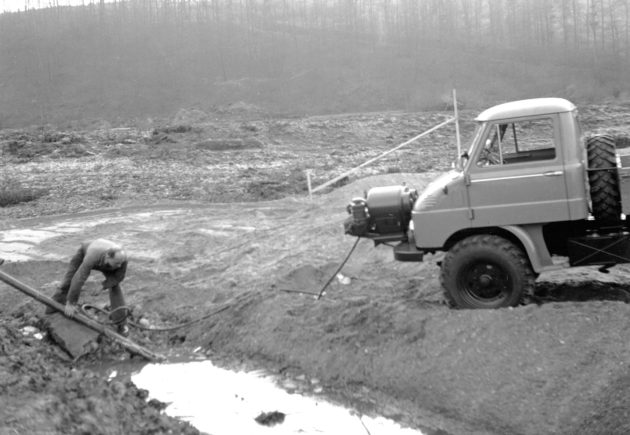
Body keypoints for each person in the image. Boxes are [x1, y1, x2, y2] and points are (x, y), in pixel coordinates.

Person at [47, 238, 130, 336]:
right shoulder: (91, 257)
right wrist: (71, 301)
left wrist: (103, 285)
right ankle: (52, 308)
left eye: (121, 263)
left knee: (115, 287)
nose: (120, 266)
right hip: (84, 253)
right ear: (108, 256)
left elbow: (119, 277)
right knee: (68, 281)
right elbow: (79, 278)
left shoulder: (121, 259)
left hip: (108, 263)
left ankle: (121, 323)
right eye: (117, 263)